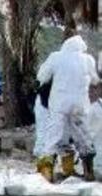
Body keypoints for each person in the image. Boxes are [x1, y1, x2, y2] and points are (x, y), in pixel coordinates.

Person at [35, 35, 100, 182]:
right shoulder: (88, 59)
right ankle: (88, 171)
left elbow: (42, 76)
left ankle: (46, 174)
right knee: (83, 136)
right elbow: (95, 80)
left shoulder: (56, 57)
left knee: (53, 137)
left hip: (59, 104)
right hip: (80, 105)